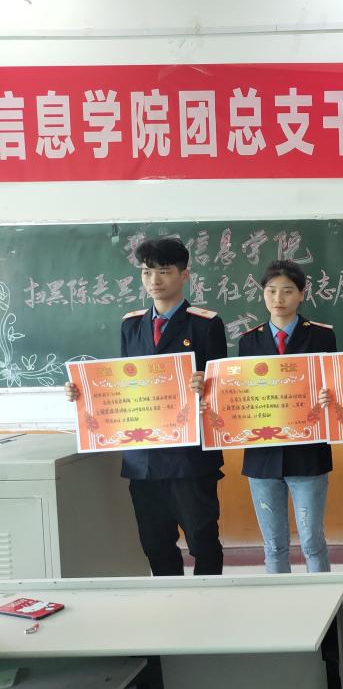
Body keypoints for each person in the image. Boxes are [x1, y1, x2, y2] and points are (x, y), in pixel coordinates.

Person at [64, 237, 226, 576]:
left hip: (189, 457)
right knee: (155, 542)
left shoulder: (205, 324)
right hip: (144, 456)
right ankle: (169, 598)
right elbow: (124, 385)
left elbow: (222, 390)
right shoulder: (132, 324)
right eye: (146, 272)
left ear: (184, 275)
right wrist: (84, 393)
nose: (154, 280)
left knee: (202, 540)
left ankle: (209, 598)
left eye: (163, 271)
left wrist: (206, 386)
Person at [235, 260, 336, 573]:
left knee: (312, 541)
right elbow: (240, 395)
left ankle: (323, 603)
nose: (278, 298)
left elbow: (334, 386)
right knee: (274, 544)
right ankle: (278, 601)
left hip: (308, 453)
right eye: (271, 290)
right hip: (262, 456)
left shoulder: (322, 337)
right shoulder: (248, 341)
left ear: (302, 294)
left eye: (287, 291)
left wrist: (329, 397)